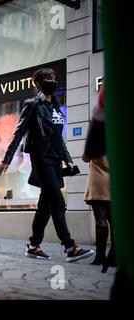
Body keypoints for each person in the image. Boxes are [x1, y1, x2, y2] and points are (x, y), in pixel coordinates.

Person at [0, 67, 93, 262]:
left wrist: (68, 159)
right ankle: (69, 247)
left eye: (53, 77)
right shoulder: (32, 105)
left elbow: (58, 138)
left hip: (55, 161)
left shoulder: (56, 107)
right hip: (41, 159)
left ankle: (33, 245)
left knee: (46, 206)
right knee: (57, 201)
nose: (52, 80)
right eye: (47, 78)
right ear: (38, 83)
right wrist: (7, 158)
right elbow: (19, 132)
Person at [82, 85, 115, 270]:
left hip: (98, 183)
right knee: (114, 223)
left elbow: (87, 155)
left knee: (101, 223)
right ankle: (113, 257)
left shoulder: (99, 128)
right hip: (114, 184)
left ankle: (99, 256)